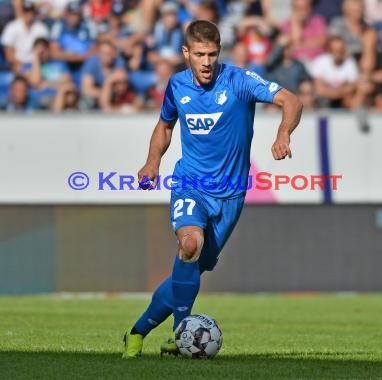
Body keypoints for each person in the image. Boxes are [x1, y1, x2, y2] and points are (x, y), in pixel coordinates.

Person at [122, 20, 302, 358]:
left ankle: (137, 331)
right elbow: (165, 126)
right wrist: (152, 163)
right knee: (190, 244)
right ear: (186, 53)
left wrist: (283, 134)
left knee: (192, 267)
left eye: (213, 54)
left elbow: (291, 100)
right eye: (200, 54)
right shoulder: (176, 86)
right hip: (190, 184)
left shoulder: (239, 81)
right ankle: (181, 333)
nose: (207, 62)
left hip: (231, 197)